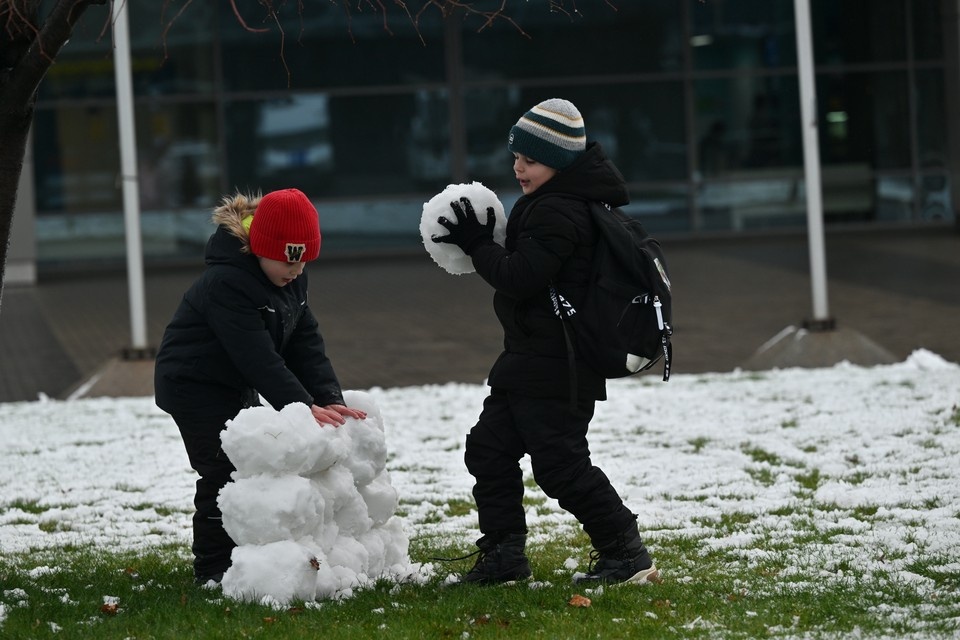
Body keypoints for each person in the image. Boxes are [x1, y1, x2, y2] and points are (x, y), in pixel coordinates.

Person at [432, 98, 659, 586]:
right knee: (488, 450)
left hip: (559, 366)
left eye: (529, 160)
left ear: (558, 161)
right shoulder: (558, 202)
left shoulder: (559, 210)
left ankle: (625, 550)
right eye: (515, 157)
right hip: (531, 360)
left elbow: (520, 277)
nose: (518, 168)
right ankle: (503, 558)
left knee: (560, 467)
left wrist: (477, 243)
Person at [154, 188, 366, 585]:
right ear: (260, 247)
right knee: (223, 469)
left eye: (305, 261)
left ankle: (248, 559)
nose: (297, 271)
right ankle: (213, 569)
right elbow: (257, 357)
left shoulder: (288, 277)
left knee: (250, 467)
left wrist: (328, 399)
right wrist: (303, 407)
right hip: (193, 384)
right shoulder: (227, 283)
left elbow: (306, 343)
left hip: (234, 381)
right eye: (290, 260)